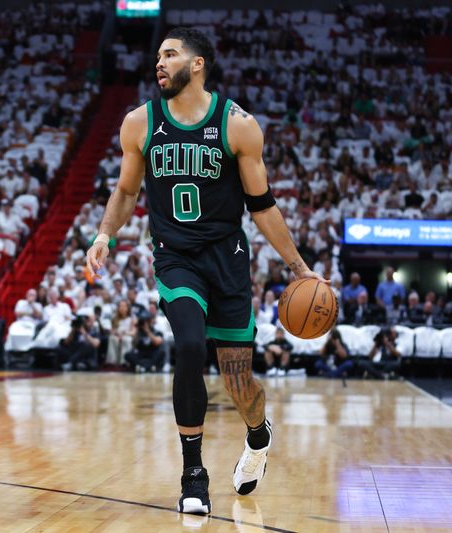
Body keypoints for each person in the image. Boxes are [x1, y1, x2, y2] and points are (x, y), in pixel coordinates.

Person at [85, 27, 325, 515]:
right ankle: (193, 474)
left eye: (170, 55)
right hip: (175, 257)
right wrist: (104, 234)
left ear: (197, 65)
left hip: (228, 260)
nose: (159, 62)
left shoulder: (238, 125)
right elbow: (127, 191)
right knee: (191, 347)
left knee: (238, 383)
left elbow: (261, 205)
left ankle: (258, 436)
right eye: (158, 55)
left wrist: (299, 268)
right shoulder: (140, 122)